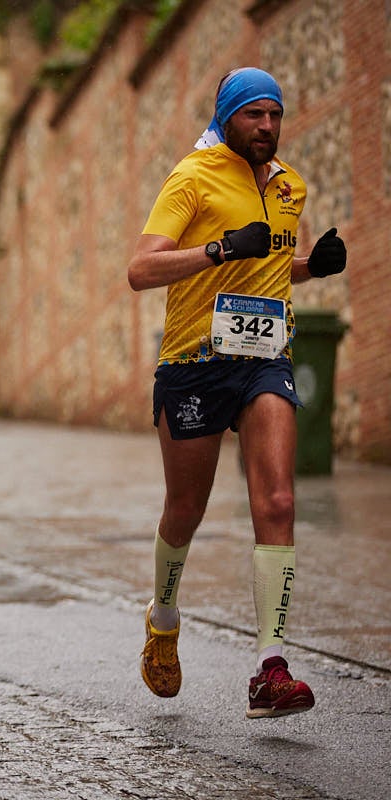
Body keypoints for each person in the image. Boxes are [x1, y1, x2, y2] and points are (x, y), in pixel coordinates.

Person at [126, 68, 347, 719]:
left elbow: (270, 267)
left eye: (275, 114)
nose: (267, 126)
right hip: (194, 363)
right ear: (227, 117)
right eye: (254, 114)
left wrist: (310, 267)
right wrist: (218, 249)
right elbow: (140, 269)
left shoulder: (289, 185)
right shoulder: (192, 177)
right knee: (185, 510)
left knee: (278, 500)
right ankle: (163, 618)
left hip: (263, 361)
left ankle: (271, 669)